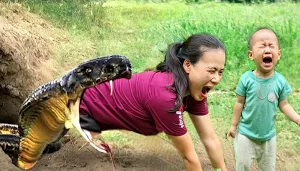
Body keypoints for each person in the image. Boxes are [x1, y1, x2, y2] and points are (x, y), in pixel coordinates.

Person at [74, 33, 228, 171]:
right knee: (53, 137)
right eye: (211, 70)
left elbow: (210, 139)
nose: (216, 79)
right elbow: (189, 157)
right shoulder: (166, 97)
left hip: (90, 111)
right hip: (79, 107)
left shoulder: (195, 90)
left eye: (221, 72)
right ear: (187, 65)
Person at [227, 27, 300, 171]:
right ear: (251, 55)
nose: (267, 49)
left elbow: (284, 105)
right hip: (246, 135)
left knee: (268, 168)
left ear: (278, 55)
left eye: (271, 46)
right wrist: (234, 126)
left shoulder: (280, 81)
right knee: (242, 166)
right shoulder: (246, 79)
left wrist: (297, 119)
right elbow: (239, 103)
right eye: (262, 46)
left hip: (268, 138)